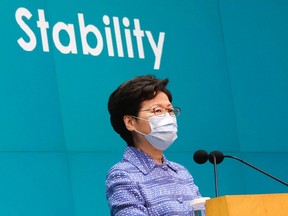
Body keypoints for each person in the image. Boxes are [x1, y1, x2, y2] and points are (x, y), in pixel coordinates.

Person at [106, 75, 203, 215]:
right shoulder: (123, 175)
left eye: (170, 110)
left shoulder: (181, 172)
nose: (168, 117)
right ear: (130, 122)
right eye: (157, 111)